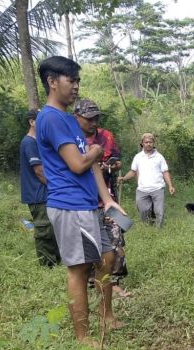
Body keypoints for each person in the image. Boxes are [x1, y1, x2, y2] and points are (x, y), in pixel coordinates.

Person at [36, 56, 125, 347]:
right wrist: (97, 151)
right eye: (70, 80)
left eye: (77, 81)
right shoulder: (50, 117)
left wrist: (108, 199)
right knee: (79, 269)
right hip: (70, 206)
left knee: (108, 258)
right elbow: (78, 164)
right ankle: (83, 336)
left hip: (89, 204)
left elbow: (93, 165)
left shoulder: (68, 119)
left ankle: (107, 317)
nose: (75, 87)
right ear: (52, 82)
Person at [73, 99, 130, 298]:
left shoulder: (106, 136)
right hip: (83, 201)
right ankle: (91, 280)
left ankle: (114, 281)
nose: (94, 122)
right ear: (76, 117)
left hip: (108, 197)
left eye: (96, 118)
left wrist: (111, 166)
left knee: (117, 237)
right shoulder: (71, 139)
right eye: (89, 118)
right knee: (88, 243)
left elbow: (118, 162)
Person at [19, 108, 61, 267]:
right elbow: (39, 171)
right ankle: (47, 265)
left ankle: (56, 261)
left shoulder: (38, 142)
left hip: (46, 193)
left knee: (53, 229)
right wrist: (57, 188)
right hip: (38, 194)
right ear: (32, 122)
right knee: (44, 230)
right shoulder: (29, 142)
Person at [118, 133, 175, 228]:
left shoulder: (159, 157)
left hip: (158, 188)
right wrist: (123, 178)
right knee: (143, 210)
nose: (148, 144)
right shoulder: (138, 157)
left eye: (150, 142)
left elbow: (165, 172)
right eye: (146, 142)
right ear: (142, 143)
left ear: (153, 143)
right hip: (142, 189)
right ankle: (148, 228)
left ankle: (159, 231)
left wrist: (170, 186)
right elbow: (133, 172)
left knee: (159, 212)